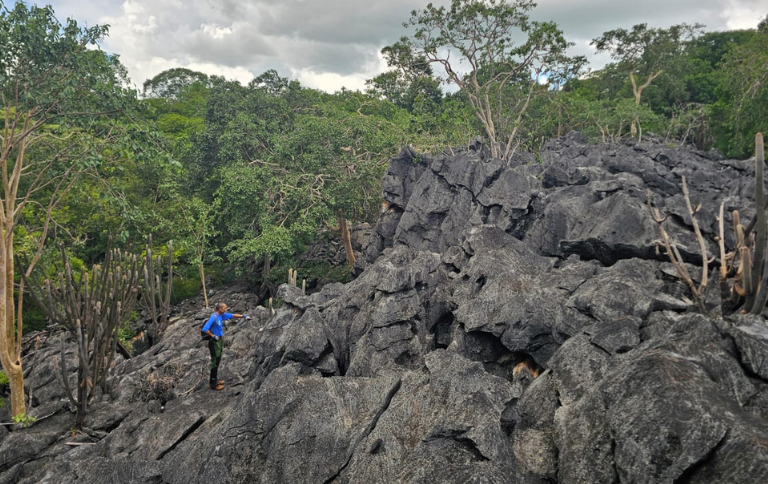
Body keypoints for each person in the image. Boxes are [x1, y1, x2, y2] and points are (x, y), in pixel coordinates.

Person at [201, 302, 249, 390]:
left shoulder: (221, 316)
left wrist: (243, 316)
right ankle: (213, 384)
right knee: (215, 362)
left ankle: (215, 379)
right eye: (224, 308)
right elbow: (205, 329)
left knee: (218, 360)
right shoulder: (214, 317)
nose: (226, 309)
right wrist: (213, 336)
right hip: (214, 342)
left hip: (219, 341)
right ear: (219, 309)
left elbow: (233, 315)